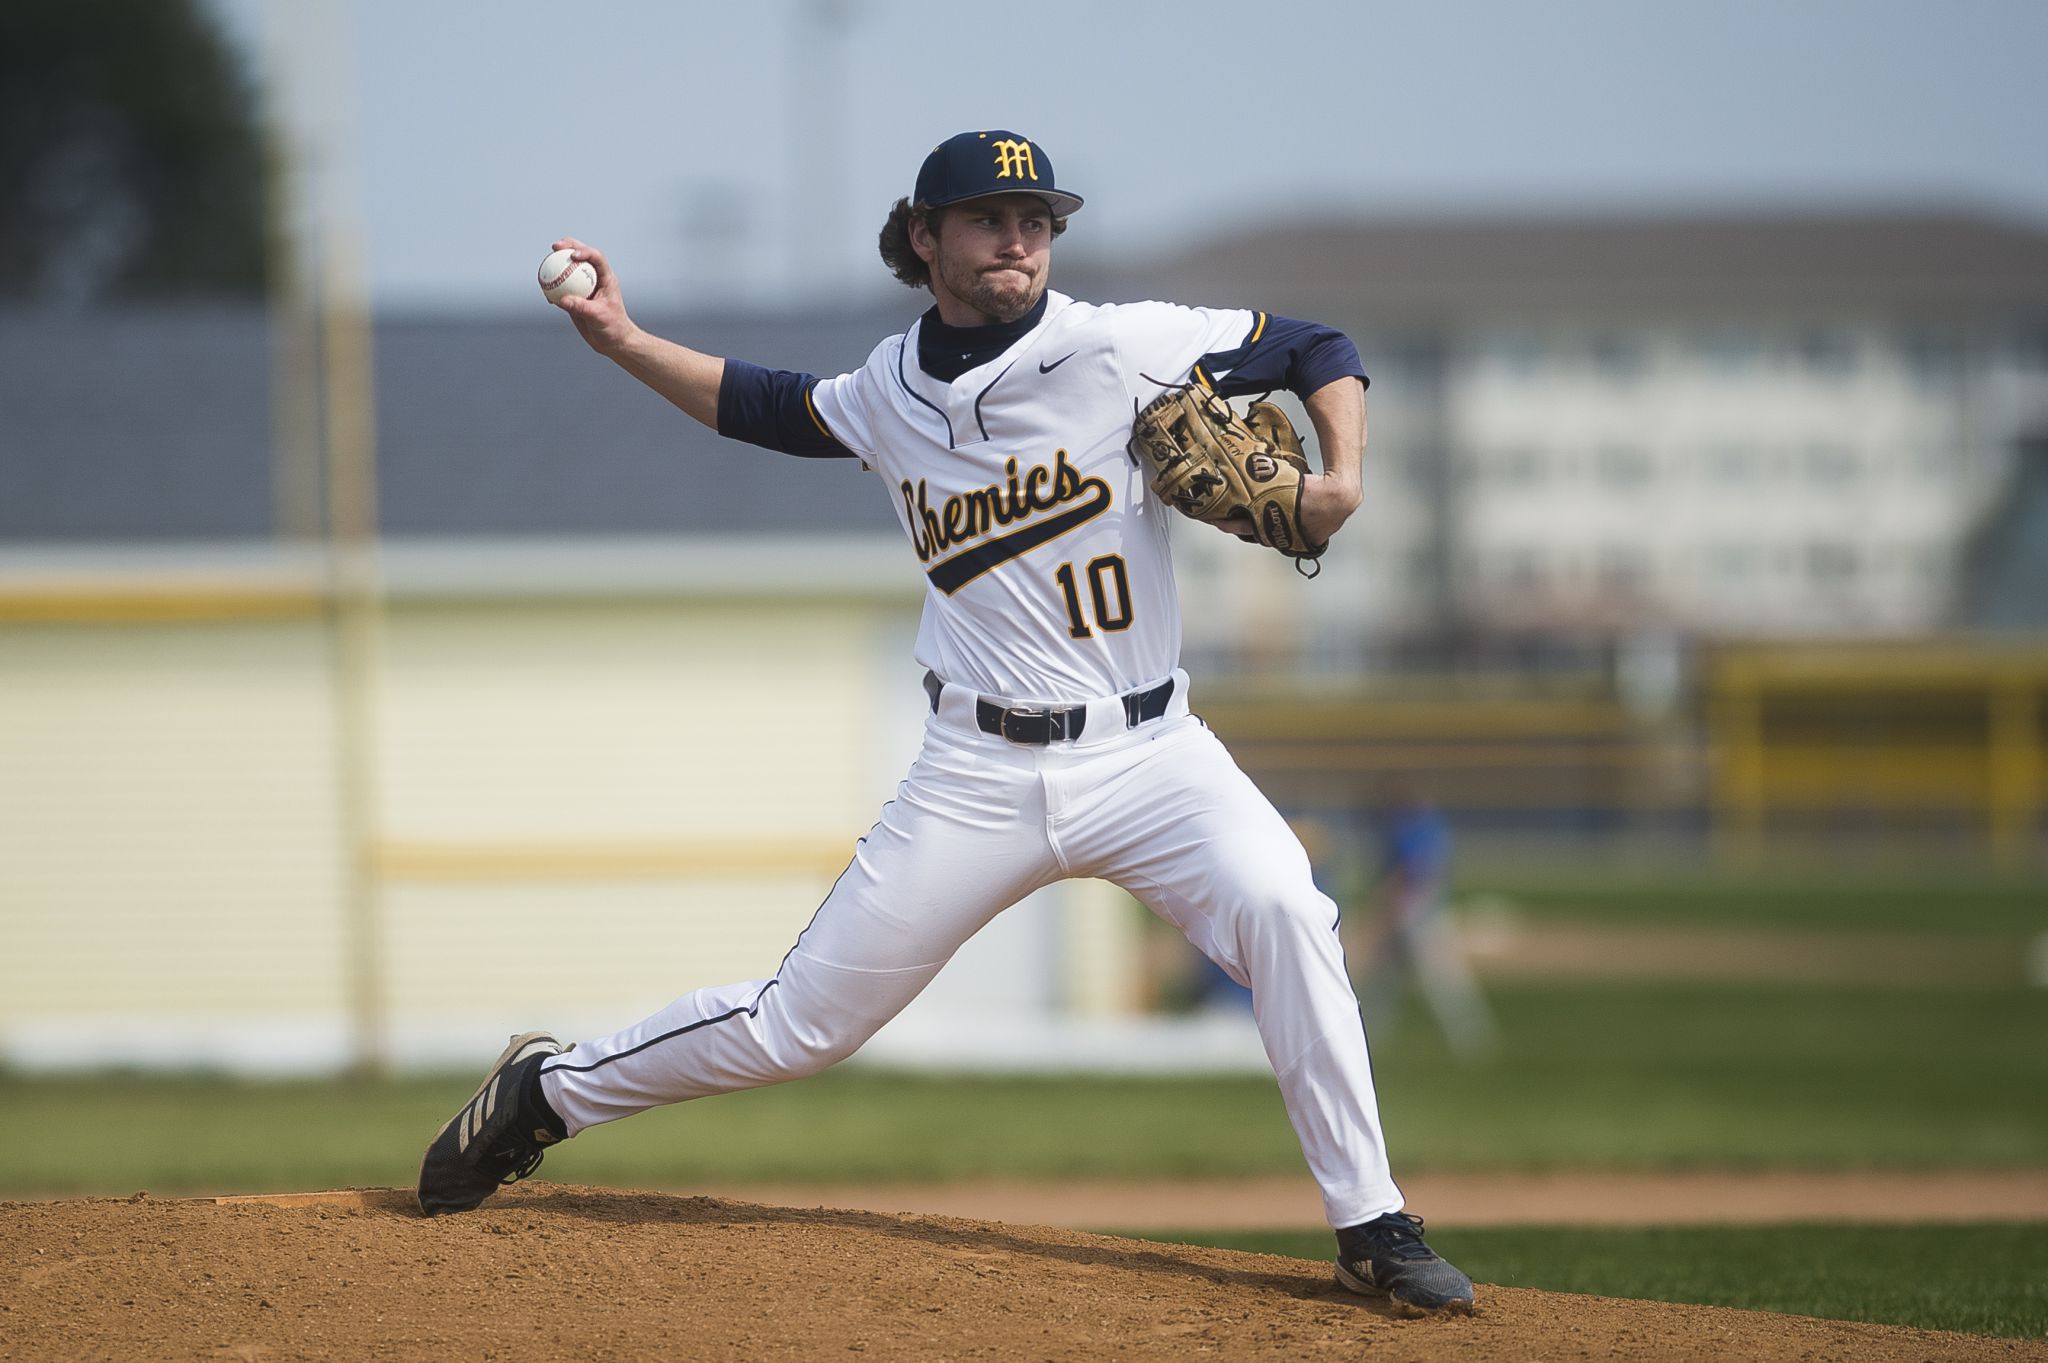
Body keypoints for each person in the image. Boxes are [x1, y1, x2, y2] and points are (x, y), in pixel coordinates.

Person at [416, 129, 1475, 1314]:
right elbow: (764, 405)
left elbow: (1315, 345)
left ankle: (1370, 1224)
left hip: (1151, 753)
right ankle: (548, 1094)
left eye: (1035, 219)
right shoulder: (886, 390)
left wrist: (1338, 475)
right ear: (923, 237)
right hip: (974, 769)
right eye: (985, 218)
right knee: (798, 1027)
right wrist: (619, 339)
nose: (1017, 238)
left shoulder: (1121, 344)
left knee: (1288, 908)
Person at [1354, 790, 1497, 1060]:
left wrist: (1385, 911)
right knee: (1384, 977)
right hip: (1416, 909)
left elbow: (1413, 874)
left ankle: (1469, 1034)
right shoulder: (1425, 823)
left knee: (1439, 976)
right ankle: (1367, 1031)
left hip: (1416, 912)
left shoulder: (1410, 826)